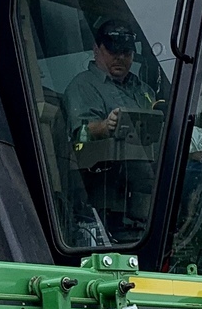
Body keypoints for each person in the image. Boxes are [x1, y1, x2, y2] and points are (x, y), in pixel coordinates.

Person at [63, 17, 162, 241]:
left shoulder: (143, 90)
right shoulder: (82, 86)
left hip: (152, 189)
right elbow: (78, 135)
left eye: (126, 52)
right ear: (96, 49)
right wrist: (105, 127)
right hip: (109, 194)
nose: (120, 57)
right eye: (113, 51)